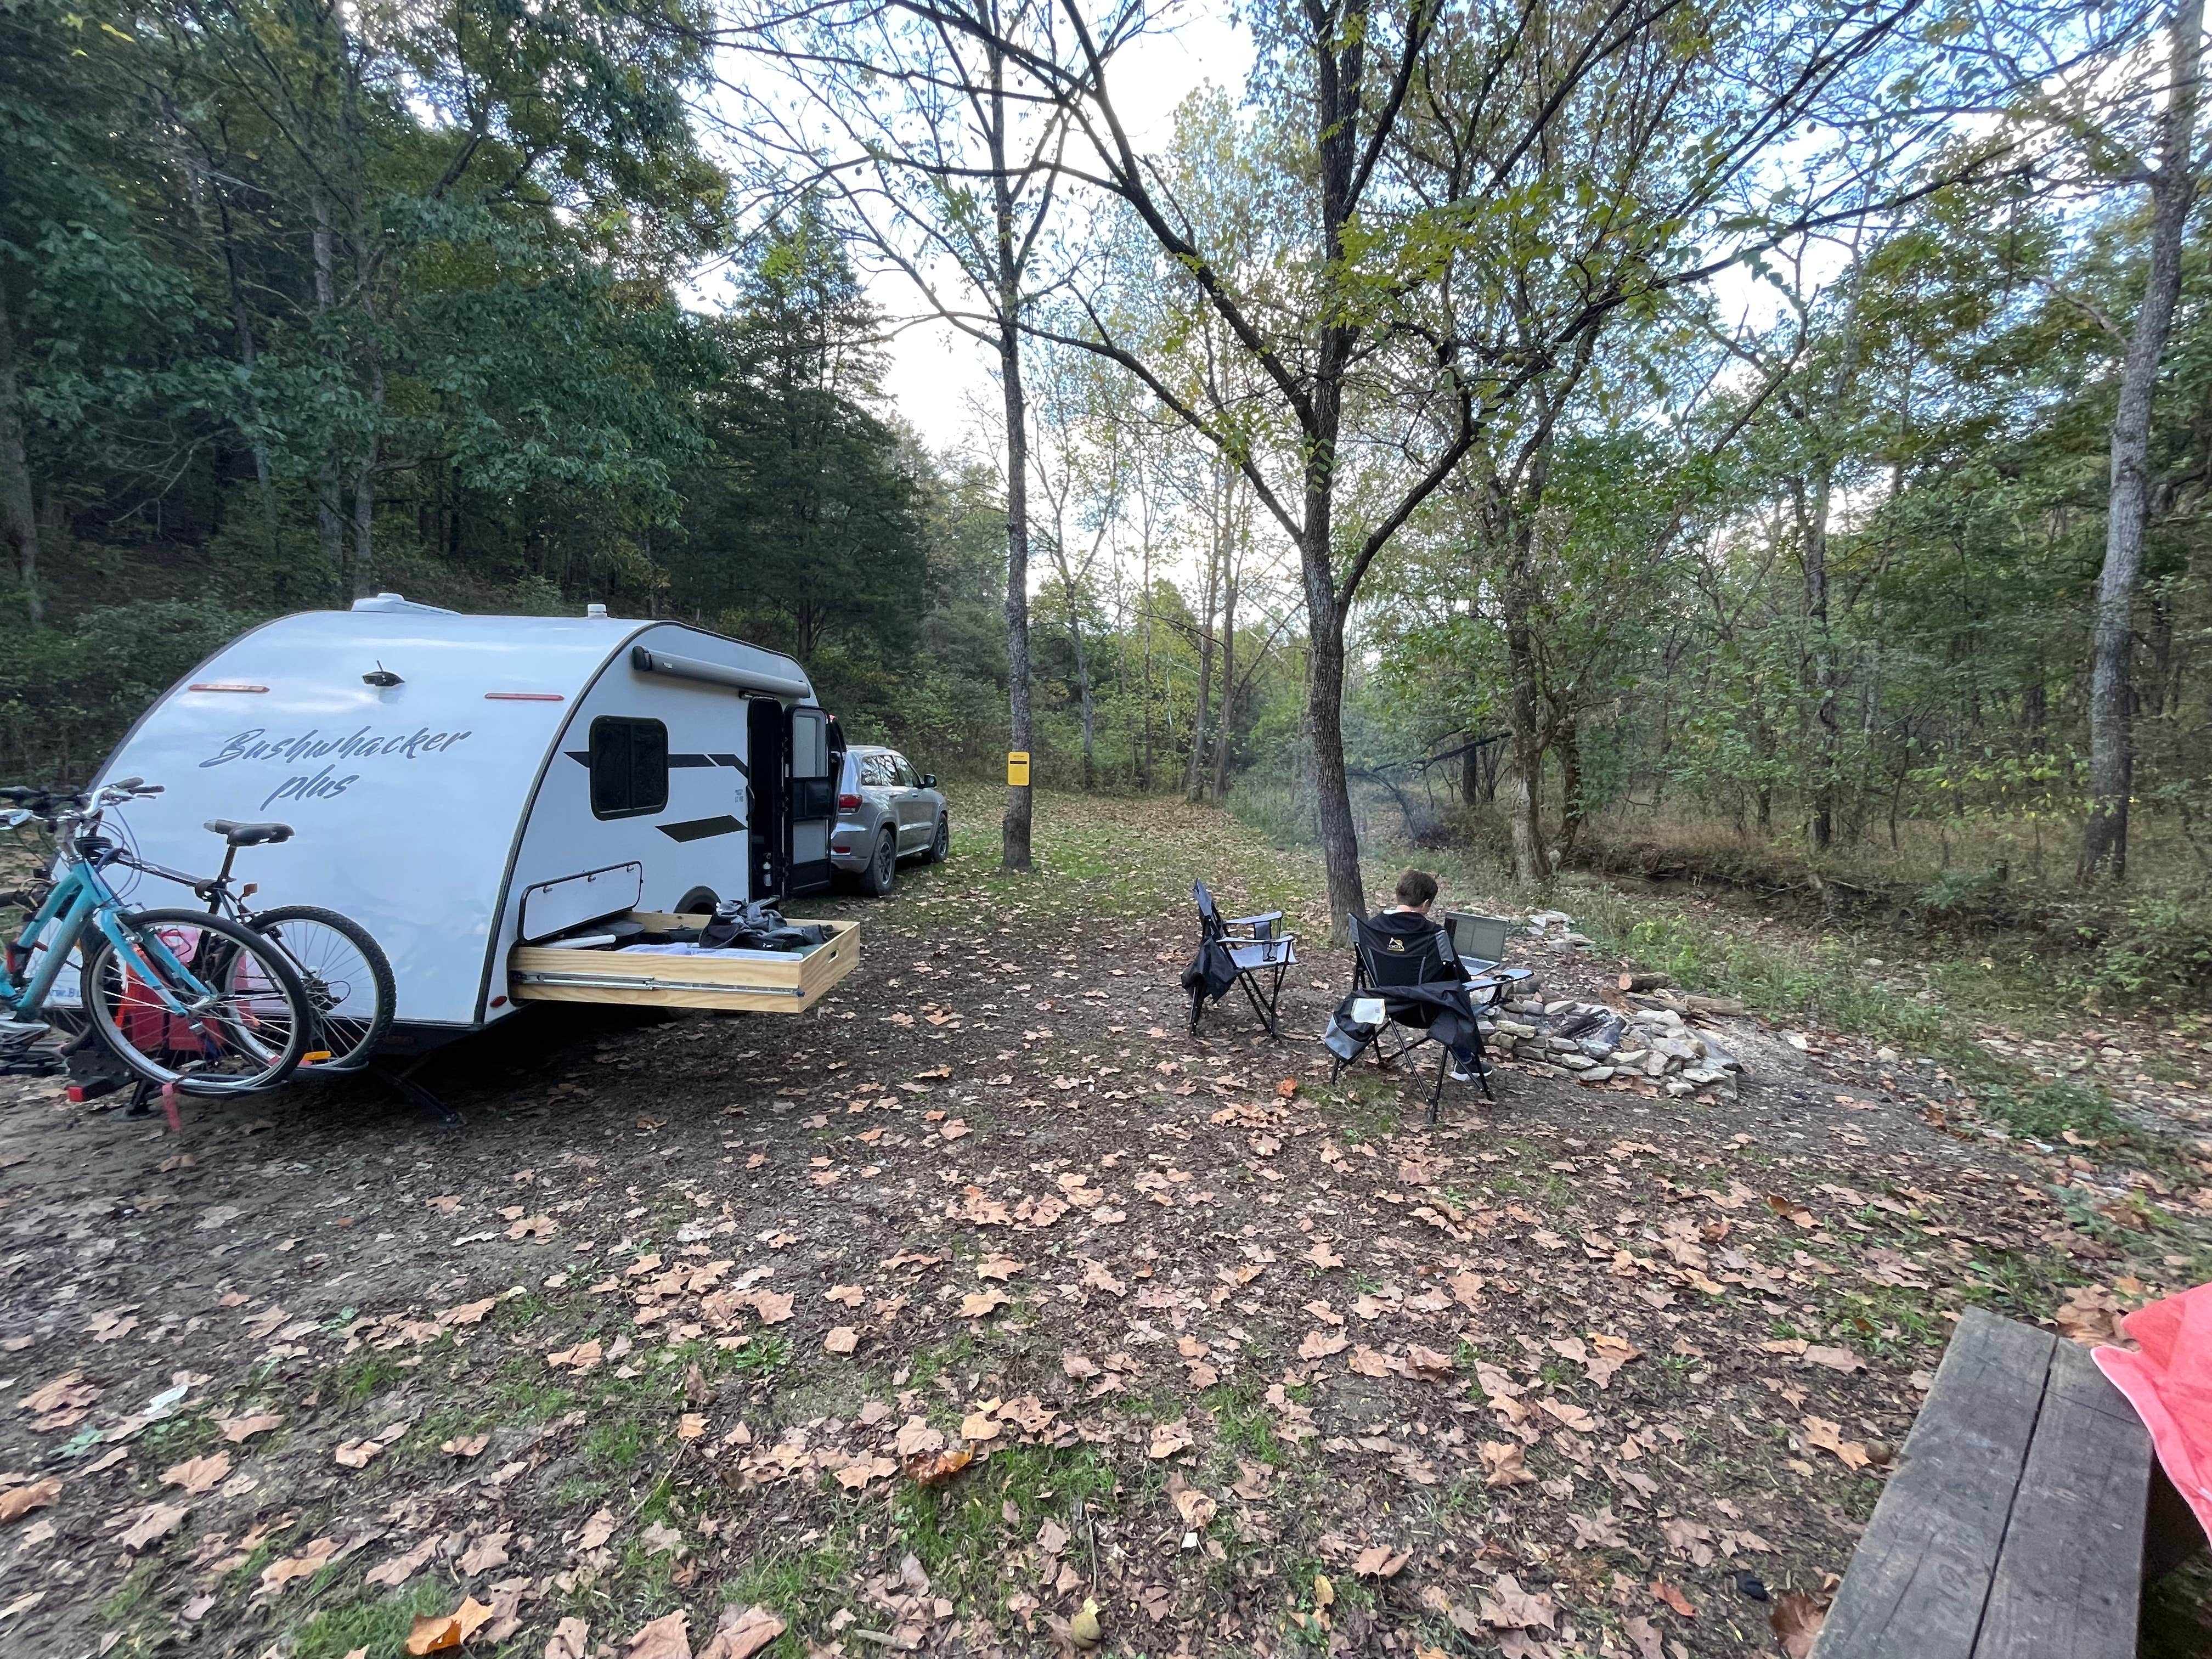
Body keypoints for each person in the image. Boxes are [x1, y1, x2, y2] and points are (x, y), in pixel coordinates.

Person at [1368, 868, 1489, 1081]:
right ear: (1426, 905)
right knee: (1457, 998)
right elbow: (1460, 979)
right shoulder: (1435, 935)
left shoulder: (1372, 927)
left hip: (1381, 1003)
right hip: (1424, 1012)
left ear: (1399, 894)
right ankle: (1465, 1062)